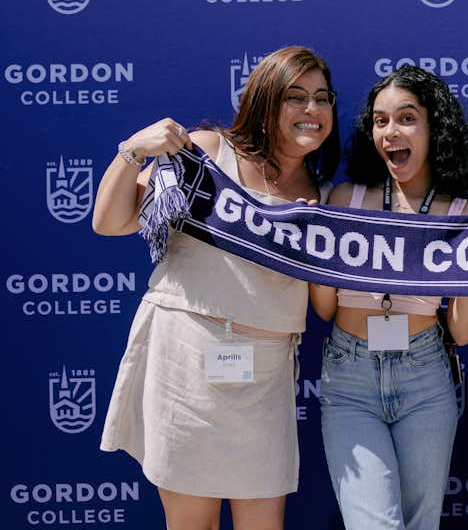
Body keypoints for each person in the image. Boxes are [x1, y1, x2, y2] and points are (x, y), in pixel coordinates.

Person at [92, 46, 340, 530]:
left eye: (322, 98)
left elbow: (327, 300)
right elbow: (110, 221)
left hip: (265, 375)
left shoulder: (322, 196)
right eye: (296, 96)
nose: (311, 109)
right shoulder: (206, 151)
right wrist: (133, 150)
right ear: (266, 101)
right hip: (186, 357)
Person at [310, 65, 468, 529]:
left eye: (407, 118)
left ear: (434, 128)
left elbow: (463, 332)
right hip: (350, 378)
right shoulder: (344, 200)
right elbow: (325, 308)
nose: (391, 131)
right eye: (380, 120)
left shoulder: (465, 215)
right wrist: (314, 248)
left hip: (425, 378)